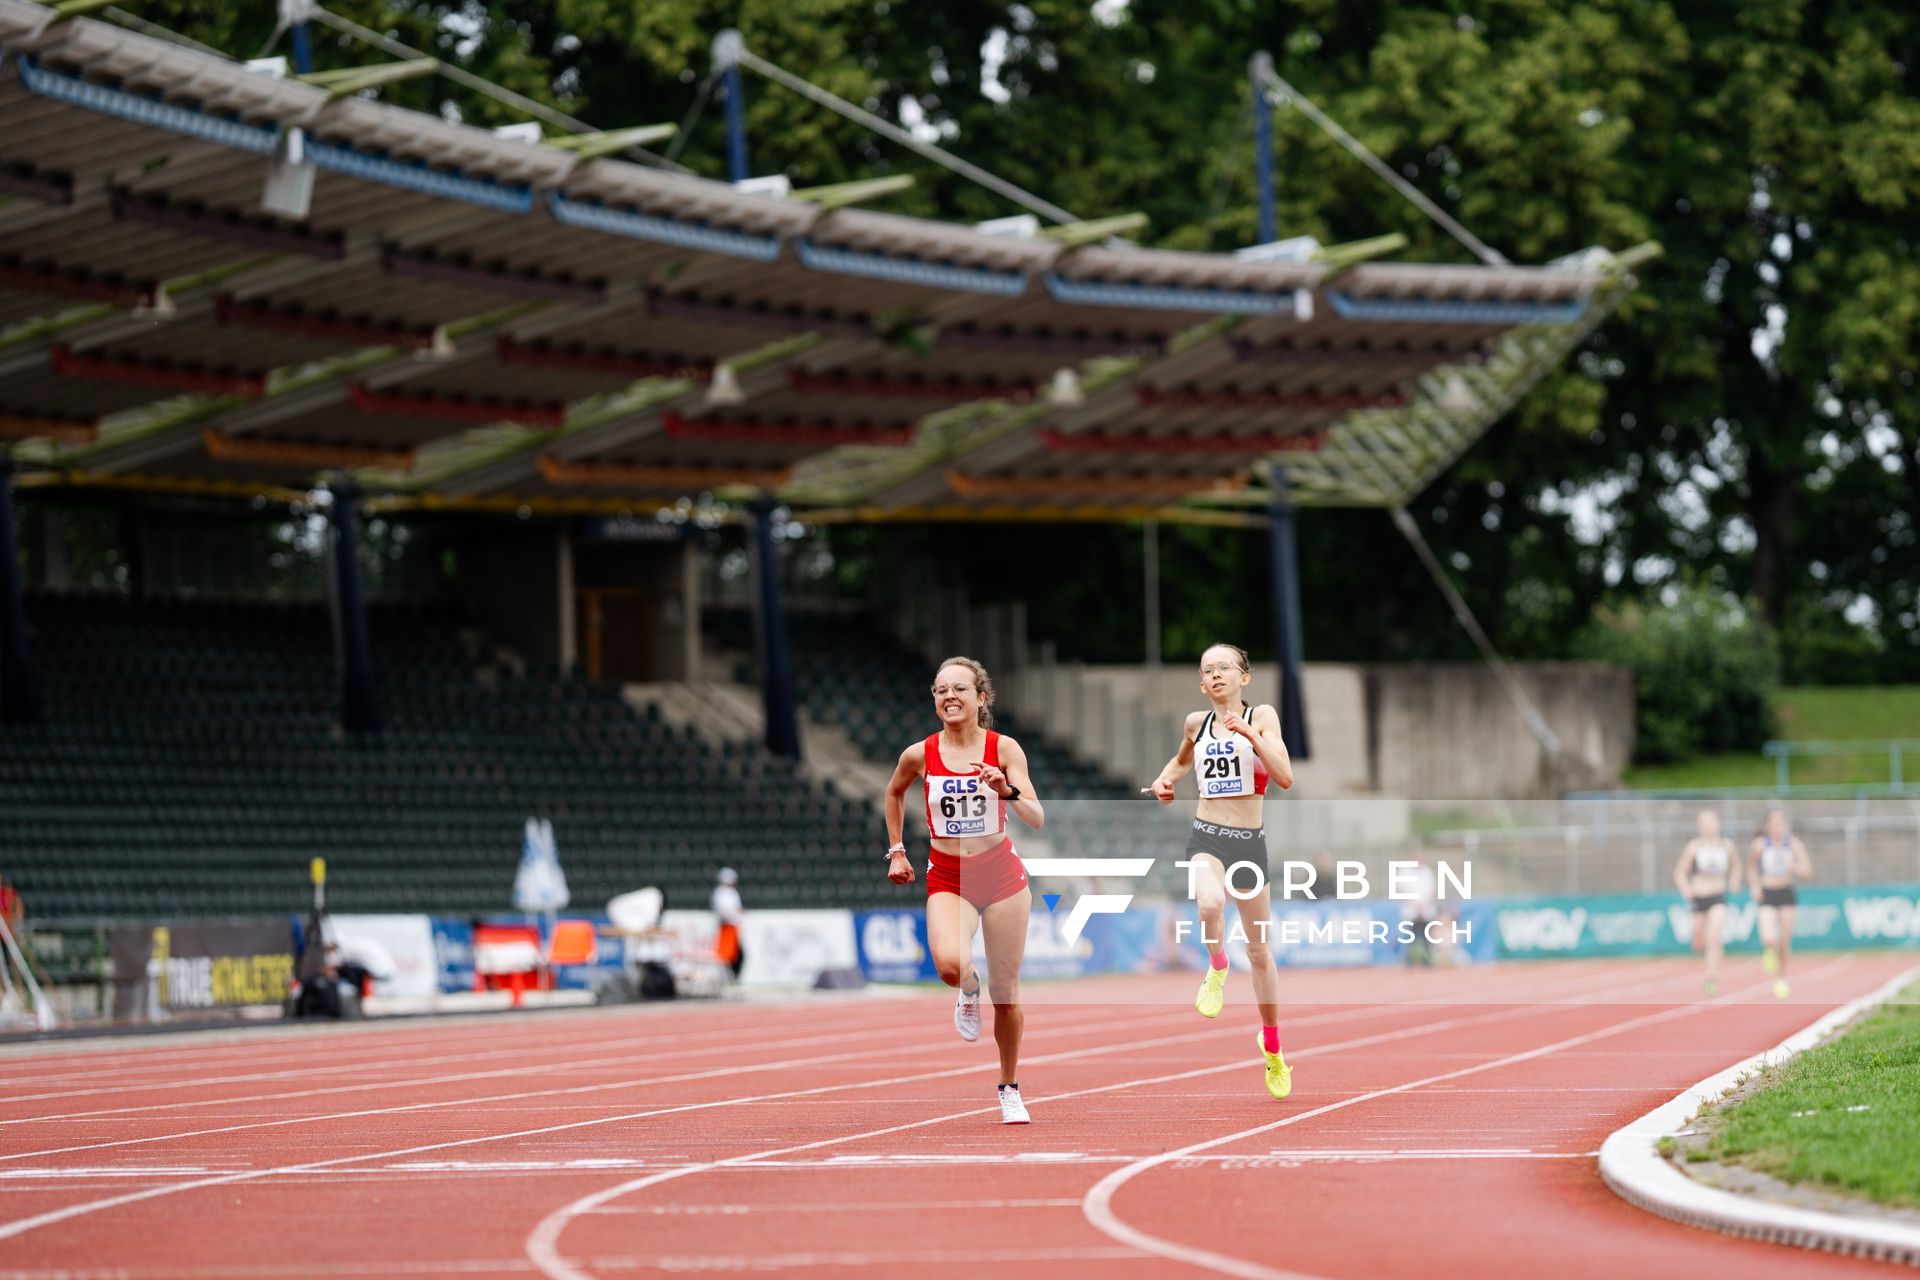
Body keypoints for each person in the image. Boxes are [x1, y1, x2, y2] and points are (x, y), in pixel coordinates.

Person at [884, 655, 1044, 1125]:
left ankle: (1009, 1087)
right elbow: (893, 793)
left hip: (1000, 877)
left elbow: (1036, 816)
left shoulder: (1004, 748)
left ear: (981, 697)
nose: (949, 697)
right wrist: (895, 849)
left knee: (1008, 993)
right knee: (952, 966)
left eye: (959, 689)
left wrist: (1006, 791)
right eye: (940, 690)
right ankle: (967, 989)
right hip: (949, 876)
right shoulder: (919, 754)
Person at [1147, 642, 1297, 1100]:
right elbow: (1180, 762)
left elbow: (1286, 776)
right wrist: (1164, 781)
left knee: (1260, 952)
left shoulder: (1262, 716)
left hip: (1249, 844)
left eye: (1224, 668)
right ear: (1201, 683)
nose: (1215, 675)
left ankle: (1271, 1045)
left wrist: (1252, 738)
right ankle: (1216, 966)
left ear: (1243, 677)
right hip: (1207, 836)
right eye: (1207, 670)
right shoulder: (1198, 723)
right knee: (1210, 902)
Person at [1673, 809, 1740, 996]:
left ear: (1717, 824)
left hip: (1718, 896)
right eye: (1704, 824)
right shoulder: (1694, 847)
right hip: (1698, 897)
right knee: (1698, 942)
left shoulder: (1727, 846)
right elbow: (1679, 873)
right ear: (1699, 827)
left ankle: (1711, 978)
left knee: (1714, 936)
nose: (1708, 827)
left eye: (1711, 823)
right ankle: (1712, 949)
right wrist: (1686, 888)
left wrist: (1734, 880)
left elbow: (1736, 866)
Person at [1749, 808, 1813, 999]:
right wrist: (1755, 886)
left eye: (1781, 824)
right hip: (1767, 893)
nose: (1777, 828)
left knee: (1784, 943)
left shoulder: (1793, 844)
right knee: (1769, 938)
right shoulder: (1760, 845)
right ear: (1767, 826)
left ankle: (1781, 979)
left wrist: (1796, 868)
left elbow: (1808, 872)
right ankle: (1769, 950)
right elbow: (1751, 868)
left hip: (1786, 893)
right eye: (1773, 824)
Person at [711, 867, 745, 980]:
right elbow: (725, 912)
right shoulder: (720, 893)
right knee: (726, 955)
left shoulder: (731, 892)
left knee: (736, 955)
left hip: (733, 927)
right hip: (727, 927)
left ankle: (733, 977)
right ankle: (727, 978)